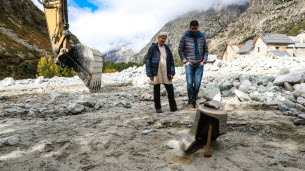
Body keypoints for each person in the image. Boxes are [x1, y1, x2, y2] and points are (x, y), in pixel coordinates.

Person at [178, 20, 208, 109]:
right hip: (189, 64)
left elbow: (206, 50)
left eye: (196, 28)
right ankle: (191, 102)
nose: (194, 30)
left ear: (198, 27)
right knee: (190, 84)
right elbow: (180, 50)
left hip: (199, 64)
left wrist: (204, 61)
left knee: (197, 83)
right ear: (189, 27)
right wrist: (185, 61)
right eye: (192, 28)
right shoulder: (184, 36)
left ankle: (193, 101)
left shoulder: (202, 37)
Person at [146, 32, 178, 113]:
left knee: (170, 90)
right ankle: (158, 108)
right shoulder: (153, 48)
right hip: (156, 72)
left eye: (164, 38)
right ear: (158, 38)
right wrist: (149, 74)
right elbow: (148, 60)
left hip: (166, 72)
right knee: (156, 91)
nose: (163, 40)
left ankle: (173, 107)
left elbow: (171, 61)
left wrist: (172, 72)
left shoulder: (167, 48)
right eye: (162, 38)